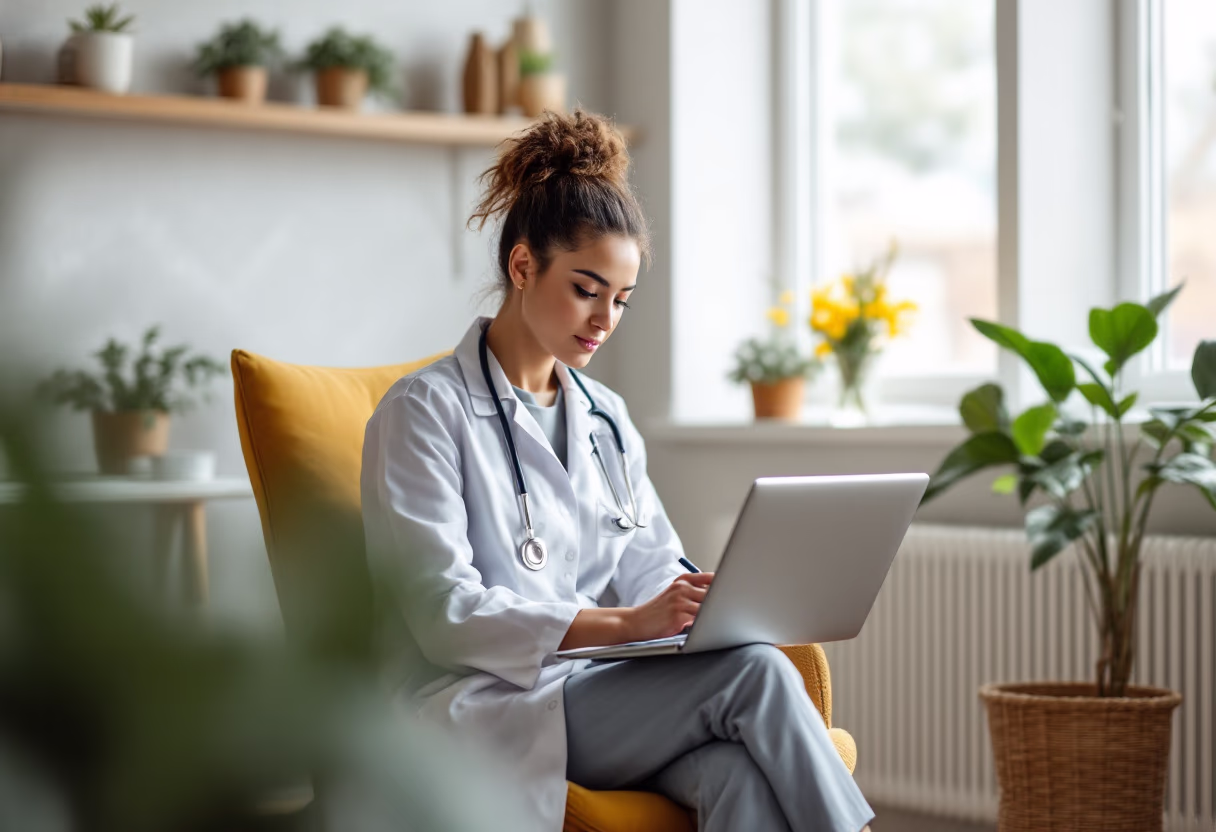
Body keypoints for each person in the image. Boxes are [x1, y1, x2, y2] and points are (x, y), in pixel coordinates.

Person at [361, 109, 874, 832]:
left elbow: (649, 564)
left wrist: (704, 603)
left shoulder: (605, 417)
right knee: (756, 674)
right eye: (586, 289)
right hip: (480, 704)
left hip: (594, 693)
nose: (605, 319)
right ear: (522, 267)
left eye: (622, 299)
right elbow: (446, 616)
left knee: (735, 773)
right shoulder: (423, 411)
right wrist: (627, 623)